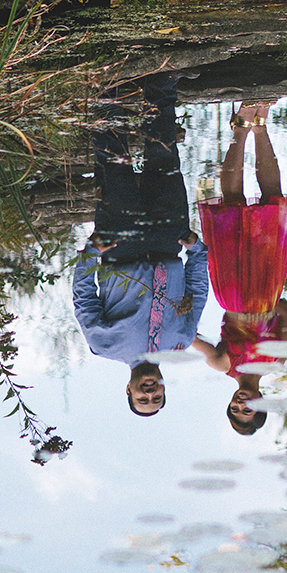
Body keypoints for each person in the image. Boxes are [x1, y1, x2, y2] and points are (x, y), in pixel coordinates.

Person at [71, 76, 208, 415]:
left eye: (142, 399)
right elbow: (197, 294)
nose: (150, 393)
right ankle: (161, 82)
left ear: (128, 390)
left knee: (113, 160)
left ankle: (106, 83)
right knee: (163, 153)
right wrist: (197, 252)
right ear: (163, 389)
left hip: (121, 244)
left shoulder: (103, 346)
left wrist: (91, 253)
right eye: (156, 398)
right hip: (169, 239)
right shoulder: (182, 342)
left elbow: (84, 297)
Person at [192, 100, 287, 435]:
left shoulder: (222, 364)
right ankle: (260, 125)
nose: (241, 403)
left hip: (233, 289)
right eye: (248, 410)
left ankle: (241, 128)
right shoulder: (278, 362)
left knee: (232, 203)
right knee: (273, 201)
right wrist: (270, 310)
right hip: (268, 286)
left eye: (235, 409)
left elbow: (183, 335)